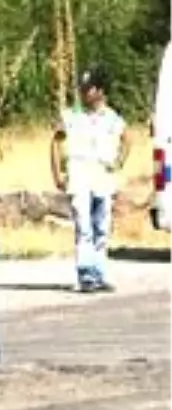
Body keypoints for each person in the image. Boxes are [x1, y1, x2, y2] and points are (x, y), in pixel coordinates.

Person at [50, 66, 129, 292]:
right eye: (83, 89)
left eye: (90, 88)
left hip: (103, 175)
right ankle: (86, 275)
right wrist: (57, 172)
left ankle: (100, 272)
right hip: (79, 174)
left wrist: (119, 161)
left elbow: (127, 138)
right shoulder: (71, 115)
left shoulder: (112, 117)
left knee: (101, 227)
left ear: (101, 91)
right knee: (84, 226)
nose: (85, 93)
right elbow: (55, 143)